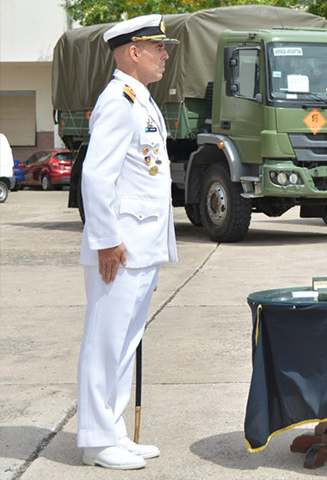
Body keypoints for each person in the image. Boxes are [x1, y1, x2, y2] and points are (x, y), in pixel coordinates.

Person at [77, 14, 179, 470]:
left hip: (141, 244)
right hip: (119, 246)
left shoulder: (141, 100)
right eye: (157, 48)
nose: (165, 54)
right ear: (133, 52)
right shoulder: (118, 100)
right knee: (105, 340)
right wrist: (105, 240)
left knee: (124, 341)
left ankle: (113, 429)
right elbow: (96, 176)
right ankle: (96, 441)